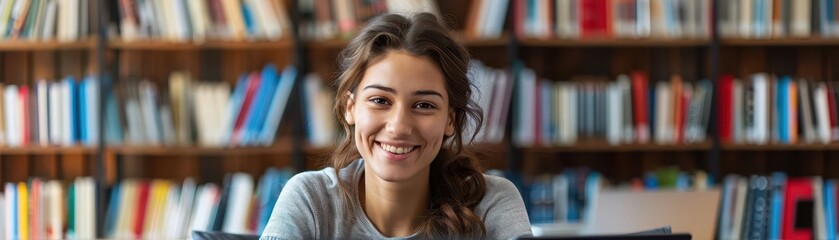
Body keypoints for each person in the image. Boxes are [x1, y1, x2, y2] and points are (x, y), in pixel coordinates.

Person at [261, 12, 531, 239]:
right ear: (350, 108)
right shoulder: (311, 200)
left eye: (424, 105)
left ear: (451, 120)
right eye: (380, 100)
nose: (399, 126)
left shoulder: (491, 202)